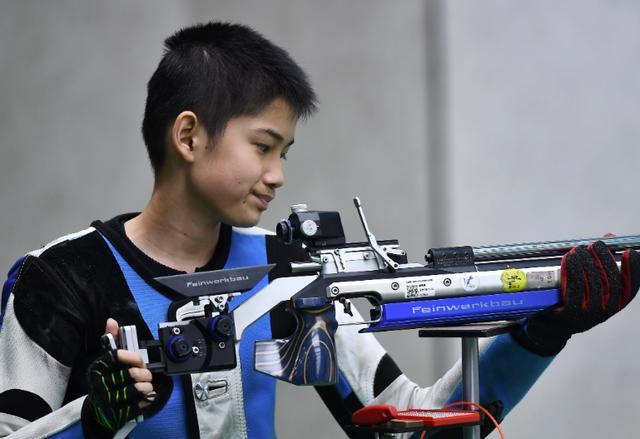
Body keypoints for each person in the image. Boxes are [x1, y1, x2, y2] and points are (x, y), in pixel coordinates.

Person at [1, 21, 639, 439]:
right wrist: (94, 418)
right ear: (189, 135)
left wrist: (544, 327)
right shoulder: (59, 278)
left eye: (287, 152)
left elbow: (416, 429)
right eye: (263, 146)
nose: (278, 175)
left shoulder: (290, 275)